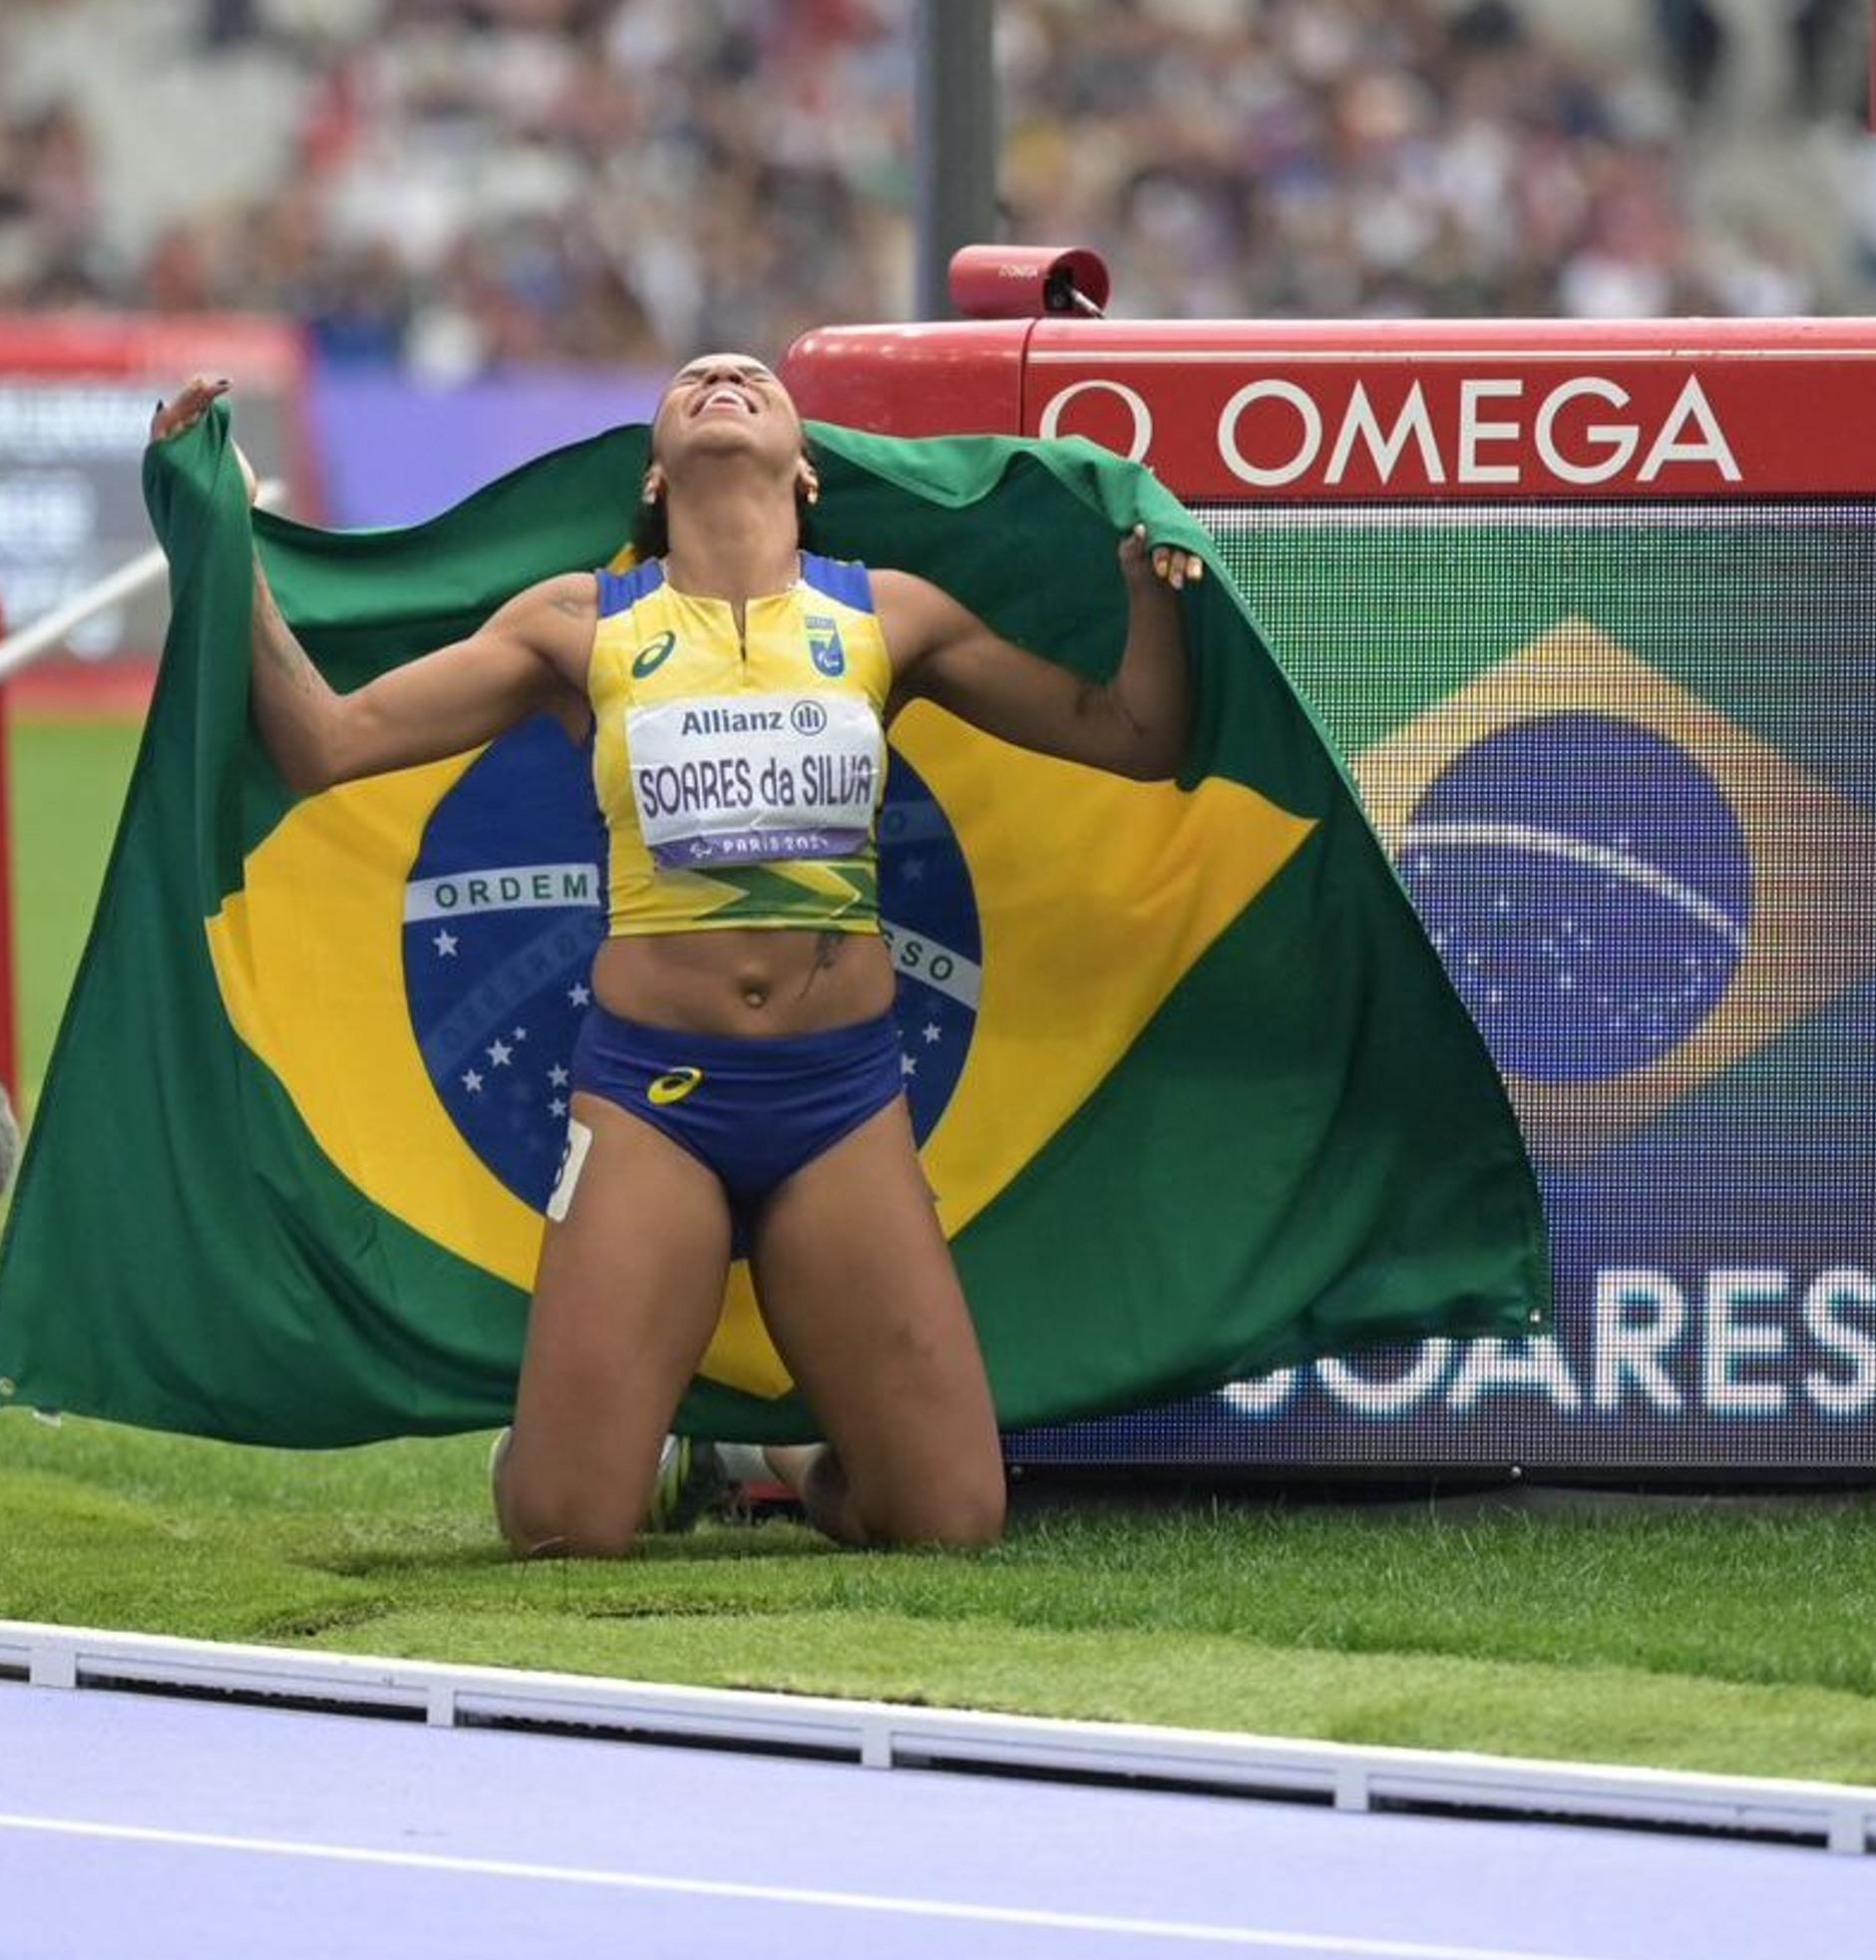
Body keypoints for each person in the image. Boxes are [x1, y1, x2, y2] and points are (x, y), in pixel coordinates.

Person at [151, 353, 1204, 1556]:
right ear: (654, 473)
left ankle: (768, 1456)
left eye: (753, 373)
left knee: (949, 1521)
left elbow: (1134, 734)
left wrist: (1151, 581)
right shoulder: (580, 624)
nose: (722, 373)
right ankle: (637, 1449)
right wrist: (220, 527)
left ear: (806, 467)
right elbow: (326, 745)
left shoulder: (887, 615)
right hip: (654, 1100)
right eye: (694, 376)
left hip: (842, 1099)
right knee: (563, 1529)